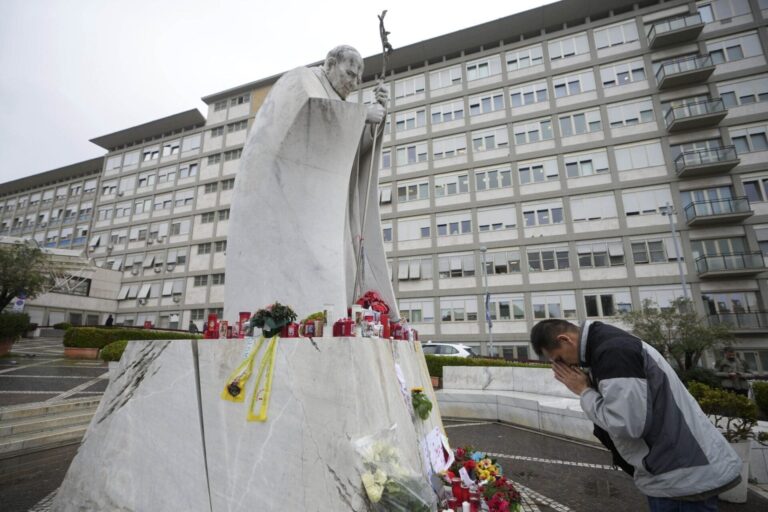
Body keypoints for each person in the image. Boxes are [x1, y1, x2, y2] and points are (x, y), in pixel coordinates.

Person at [224, 45, 397, 322]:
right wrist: (362, 115)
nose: (353, 84)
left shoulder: (334, 95)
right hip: (284, 208)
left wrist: (376, 120)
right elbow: (310, 115)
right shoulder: (302, 81)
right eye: (349, 74)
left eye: (357, 79)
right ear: (330, 64)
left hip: (322, 213)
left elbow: (347, 156)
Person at [530, 319, 741, 512]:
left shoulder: (613, 353)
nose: (563, 366)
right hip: (680, 470)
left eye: (559, 358)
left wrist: (584, 391)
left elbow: (625, 424)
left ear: (565, 340)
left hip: (679, 476)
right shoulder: (607, 345)